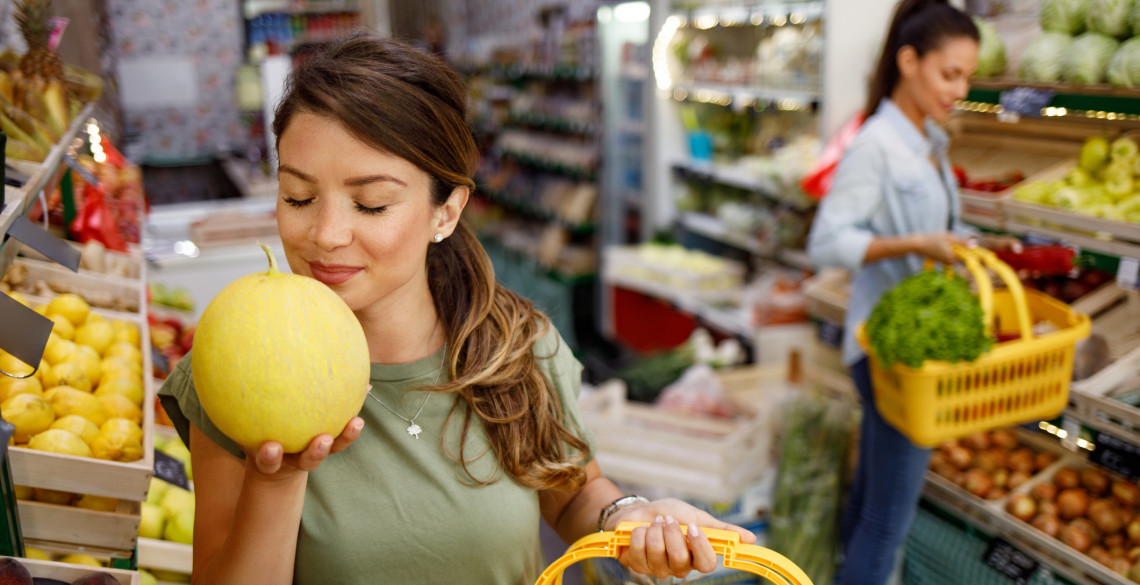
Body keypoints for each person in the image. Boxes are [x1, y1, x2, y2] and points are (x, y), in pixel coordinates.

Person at [158, 33, 754, 585]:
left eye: (371, 204)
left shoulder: (514, 346)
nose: (326, 233)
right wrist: (279, 479)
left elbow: (573, 495)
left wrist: (635, 516)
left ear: (446, 211)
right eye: (299, 197)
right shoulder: (235, 362)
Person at [807, 0, 1020, 585]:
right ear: (909, 62)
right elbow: (825, 242)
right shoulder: (876, 145)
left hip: (911, 343)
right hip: (892, 351)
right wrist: (916, 245)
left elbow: (936, 228)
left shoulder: (928, 139)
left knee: (869, 502)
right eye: (950, 73)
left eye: (968, 77)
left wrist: (962, 241)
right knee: (886, 522)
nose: (960, 89)